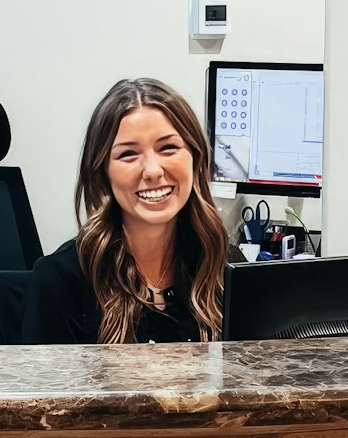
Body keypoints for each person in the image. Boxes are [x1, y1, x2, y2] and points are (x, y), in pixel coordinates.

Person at [24, 77, 228, 343]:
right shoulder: (62, 279)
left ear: (196, 159)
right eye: (128, 154)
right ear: (103, 171)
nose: (153, 171)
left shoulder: (223, 265)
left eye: (168, 148)